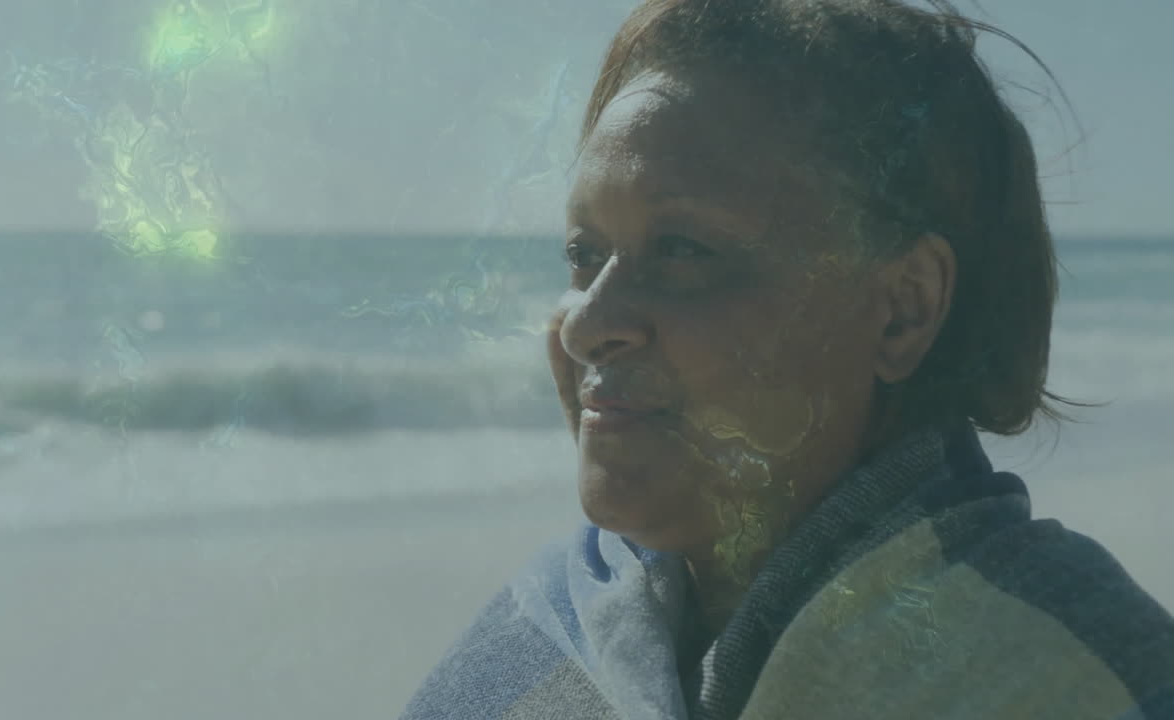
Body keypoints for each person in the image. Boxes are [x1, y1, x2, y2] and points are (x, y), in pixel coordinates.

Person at [401, 1, 1174, 717]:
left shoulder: (1070, 671)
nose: (587, 326)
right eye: (584, 253)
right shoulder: (541, 638)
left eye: (682, 251)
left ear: (903, 309)